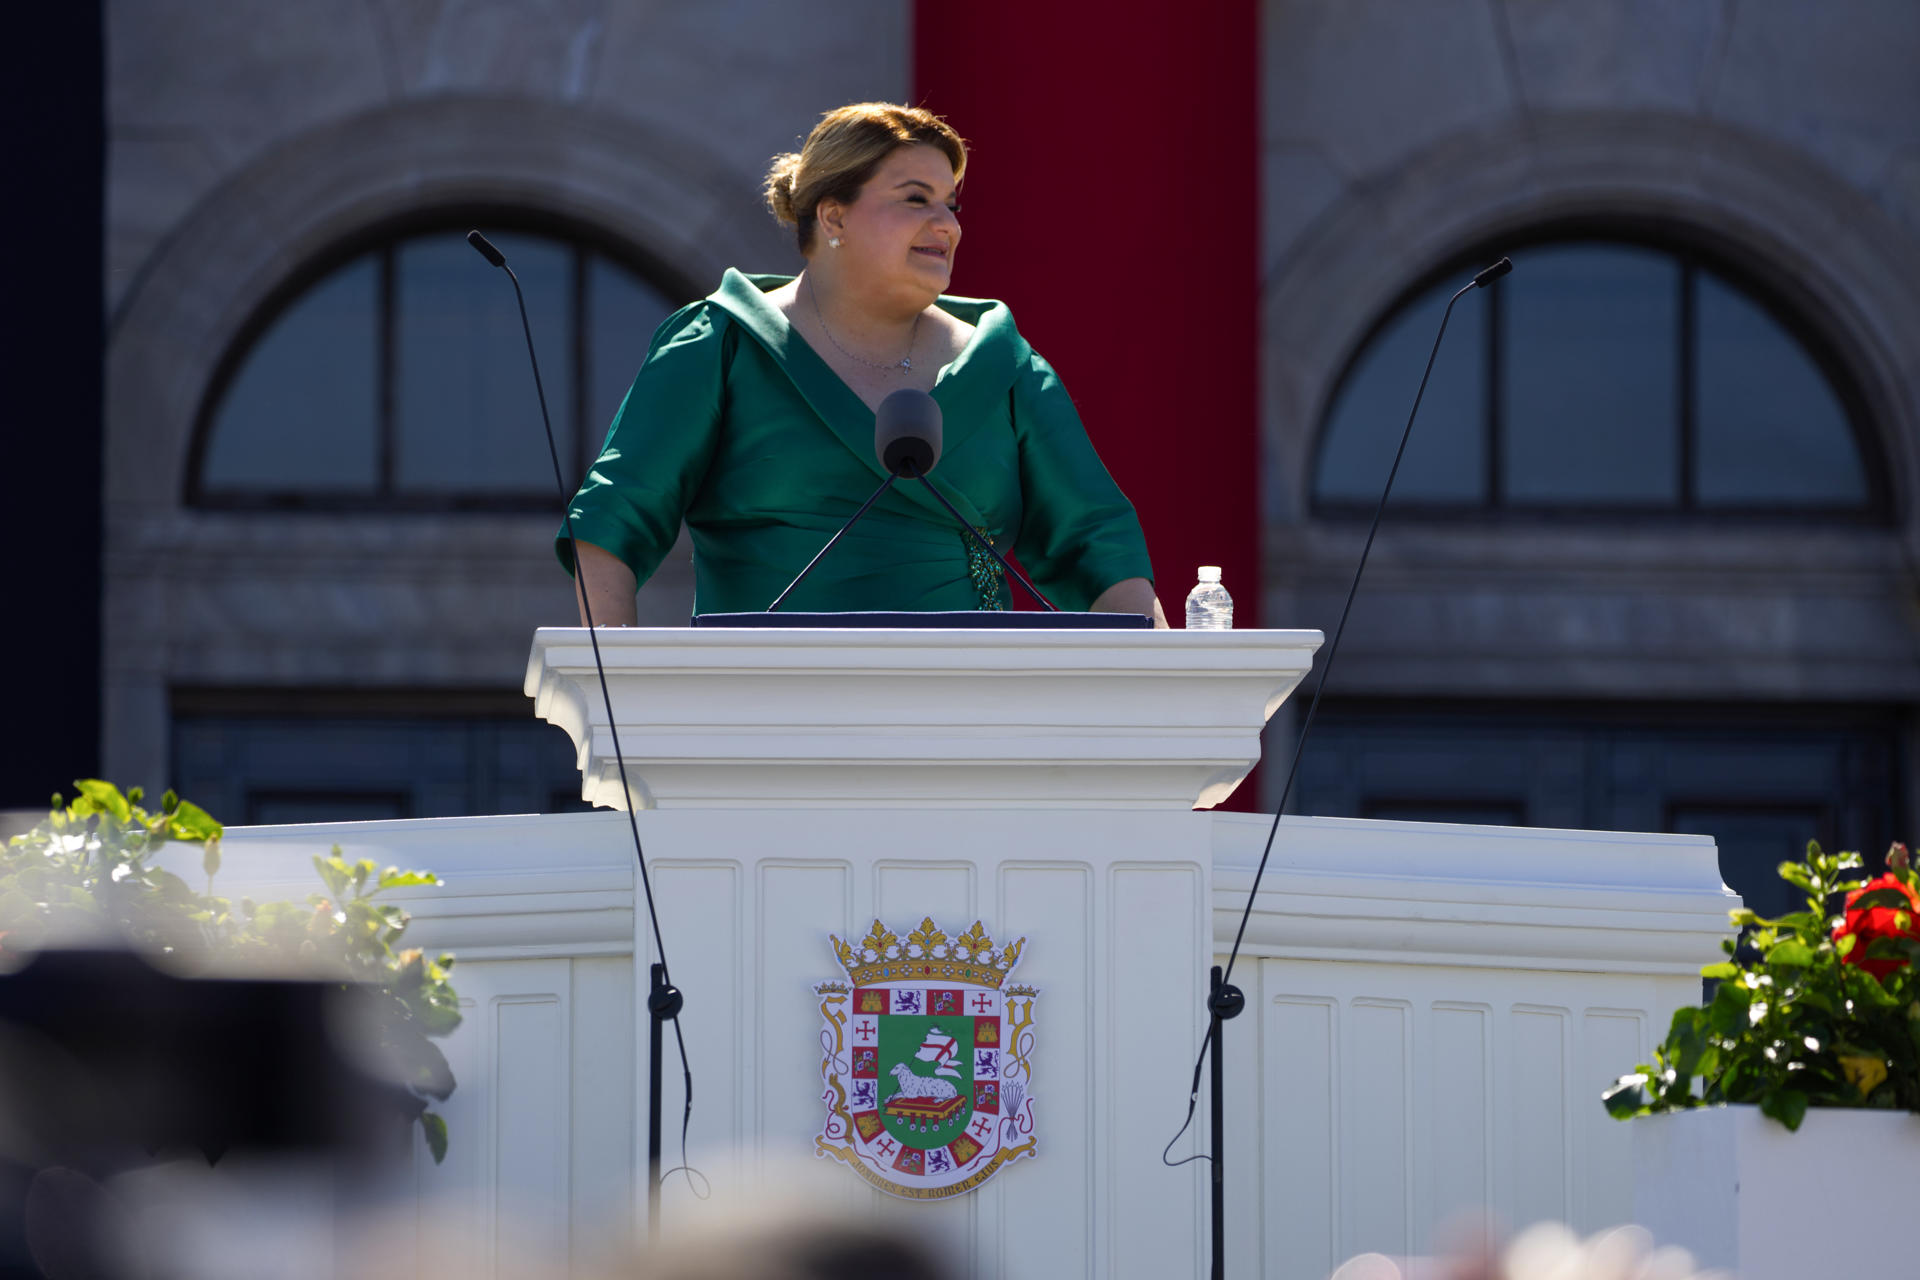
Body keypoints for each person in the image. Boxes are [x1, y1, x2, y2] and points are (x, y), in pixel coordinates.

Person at [560, 102, 1166, 626]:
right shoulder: (721, 343)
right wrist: (617, 694)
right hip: (761, 717)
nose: (948, 225)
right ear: (833, 216)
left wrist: (1167, 694)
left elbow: (1099, 548)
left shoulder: (1005, 365)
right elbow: (613, 523)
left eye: (952, 205)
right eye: (916, 200)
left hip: (976, 715)